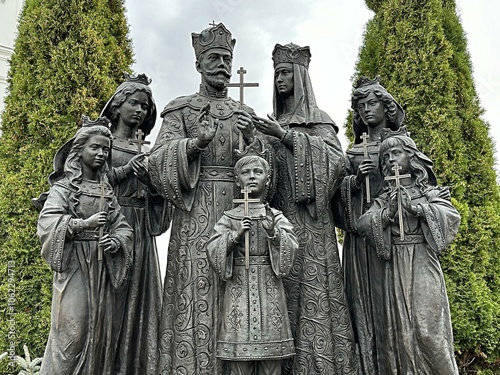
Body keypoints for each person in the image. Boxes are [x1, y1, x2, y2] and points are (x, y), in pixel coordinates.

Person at [148, 22, 264, 374]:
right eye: (214, 57)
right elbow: (156, 162)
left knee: (239, 292)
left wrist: (253, 142)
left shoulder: (246, 115)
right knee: (195, 291)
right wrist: (195, 144)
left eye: (227, 58)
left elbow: (263, 172)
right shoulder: (181, 110)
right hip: (196, 212)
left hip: (238, 211)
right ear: (198, 63)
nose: (223, 65)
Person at [253, 43, 357, 374]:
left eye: (285, 73)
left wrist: (285, 136)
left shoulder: (319, 121)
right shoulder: (273, 122)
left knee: (317, 297)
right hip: (281, 225)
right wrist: (257, 143)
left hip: (314, 228)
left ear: (300, 76)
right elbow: (263, 176)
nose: (279, 79)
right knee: (283, 296)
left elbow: (336, 163)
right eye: (276, 74)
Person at [357, 127, 460, 375]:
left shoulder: (428, 192)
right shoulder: (383, 197)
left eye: (396, 153)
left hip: (422, 261)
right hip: (393, 266)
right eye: (386, 156)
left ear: (410, 157)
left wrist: (418, 209)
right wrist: (388, 213)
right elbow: (363, 223)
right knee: (398, 331)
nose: (391, 159)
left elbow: (450, 216)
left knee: (428, 330)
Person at [35, 116, 133, 375]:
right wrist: (83, 224)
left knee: (99, 332)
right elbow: (48, 222)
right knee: (73, 331)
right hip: (75, 265)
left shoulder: (105, 190)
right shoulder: (64, 188)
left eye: (105, 150)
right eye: (95, 148)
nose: (101, 153)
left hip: (101, 266)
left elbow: (122, 225)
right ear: (79, 151)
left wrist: (116, 240)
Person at [333, 76, 404, 374]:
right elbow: (336, 201)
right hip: (358, 244)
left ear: (386, 107)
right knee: (360, 305)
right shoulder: (351, 153)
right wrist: (353, 181)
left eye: (372, 103)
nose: (366, 110)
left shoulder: (398, 146)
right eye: (360, 106)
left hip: (389, 238)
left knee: (391, 305)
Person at [100, 73, 170, 375]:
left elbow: (159, 195)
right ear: (117, 105)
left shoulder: (148, 149)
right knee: (111, 300)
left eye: (145, 106)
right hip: (113, 227)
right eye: (134, 103)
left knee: (141, 302)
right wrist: (128, 169)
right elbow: (93, 183)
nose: (140, 110)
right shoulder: (103, 142)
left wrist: (151, 182)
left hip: (141, 229)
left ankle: (138, 365)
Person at [206, 153, 298, 375]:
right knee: (240, 359)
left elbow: (291, 246)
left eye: (258, 172)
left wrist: (273, 233)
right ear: (237, 180)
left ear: (267, 178)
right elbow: (212, 248)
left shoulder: (274, 215)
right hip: (239, 286)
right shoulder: (229, 216)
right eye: (246, 173)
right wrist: (235, 236)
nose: (252, 177)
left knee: (272, 360)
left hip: (269, 288)